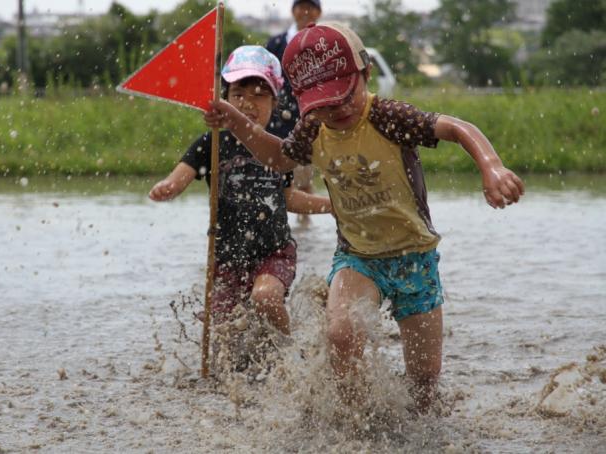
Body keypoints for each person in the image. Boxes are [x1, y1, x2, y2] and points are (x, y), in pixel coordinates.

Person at [203, 24, 525, 411]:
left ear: (365, 74)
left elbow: (456, 127)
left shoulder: (389, 116)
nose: (336, 111)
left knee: (424, 383)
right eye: (322, 104)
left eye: (343, 97)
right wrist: (236, 122)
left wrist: (492, 167)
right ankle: (352, 421)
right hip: (358, 257)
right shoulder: (313, 128)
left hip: (414, 258)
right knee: (340, 335)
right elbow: (277, 157)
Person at [149, 45, 331, 338]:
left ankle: (290, 354)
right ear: (225, 101)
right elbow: (179, 177)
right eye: (238, 95)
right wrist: (167, 188)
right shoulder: (211, 143)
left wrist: (331, 205)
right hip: (227, 257)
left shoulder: (278, 148)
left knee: (265, 298)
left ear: (274, 101)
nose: (248, 103)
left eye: (259, 94)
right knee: (223, 334)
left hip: (274, 251)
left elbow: (287, 199)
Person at [266, 0, 322, 223]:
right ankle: (279, 224)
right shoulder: (277, 43)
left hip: (307, 117)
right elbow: (267, 76)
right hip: (278, 117)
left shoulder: (323, 42)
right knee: (274, 173)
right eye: (301, 6)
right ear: (293, 10)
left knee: (304, 174)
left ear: (318, 12)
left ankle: (305, 226)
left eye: (310, 7)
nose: (305, 11)